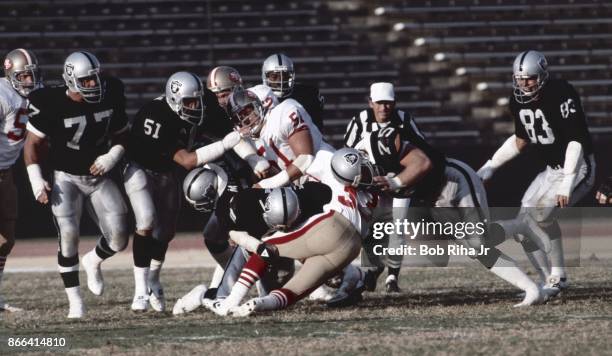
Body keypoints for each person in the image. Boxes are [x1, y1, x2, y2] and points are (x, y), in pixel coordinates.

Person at [331, 126, 548, 307]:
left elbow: (422, 162)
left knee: (480, 244)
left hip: (454, 180)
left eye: (365, 176)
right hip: (432, 199)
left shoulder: (378, 145)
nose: (368, 182)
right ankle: (522, 238)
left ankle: (530, 280)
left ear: (361, 158)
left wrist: (396, 182)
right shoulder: (360, 181)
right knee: (478, 246)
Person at [124, 71, 248, 312]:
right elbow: (188, 161)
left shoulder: (205, 105)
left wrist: (256, 162)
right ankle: (140, 291)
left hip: (166, 170)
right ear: (173, 100)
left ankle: (154, 280)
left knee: (167, 231)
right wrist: (224, 145)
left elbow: (230, 134)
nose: (195, 106)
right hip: (140, 168)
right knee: (146, 221)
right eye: (188, 102)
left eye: (198, 100)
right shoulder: (157, 116)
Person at [477, 50, 595, 295]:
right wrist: (491, 166)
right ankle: (545, 283)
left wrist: (568, 182)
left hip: (578, 164)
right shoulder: (517, 100)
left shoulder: (561, 93)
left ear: (542, 75)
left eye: (529, 78)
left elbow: (575, 141)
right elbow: (521, 140)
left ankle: (558, 276)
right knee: (523, 227)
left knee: (540, 216)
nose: (524, 83)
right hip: (550, 170)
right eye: (519, 78)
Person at [24, 51, 130, 318]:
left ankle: (93, 259)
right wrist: (36, 180)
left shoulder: (112, 92)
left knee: (119, 239)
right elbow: (32, 144)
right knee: (68, 236)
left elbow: (123, 135)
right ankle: (75, 302)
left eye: (96, 78)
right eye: (88, 80)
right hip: (66, 178)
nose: (95, 85)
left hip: (98, 177)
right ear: (71, 80)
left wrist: (112, 155)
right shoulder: (48, 102)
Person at [343, 82, 446, 293]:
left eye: (388, 103)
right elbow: (347, 154)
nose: (384, 108)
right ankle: (373, 269)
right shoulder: (359, 121)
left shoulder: (404, 120)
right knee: (368, 229)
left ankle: (392, 276)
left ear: (394, 103)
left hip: (401, 182)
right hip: (371, 184)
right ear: (370, 102)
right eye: (379, 103)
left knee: (398, 228)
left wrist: (404, 177)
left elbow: (425, 151)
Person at [0, 48, 42, 312]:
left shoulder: (34, 94)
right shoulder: (2, 95)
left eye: (32, 75)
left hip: (7, 172)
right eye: (24, 76)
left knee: (6, 239)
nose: (30, 81)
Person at [261, 53, 325, 130]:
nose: (280, 80)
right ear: (266, 77)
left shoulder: (307, 94)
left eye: (285, 75)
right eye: (274, 76)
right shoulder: (257, 96)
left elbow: (317, 129)